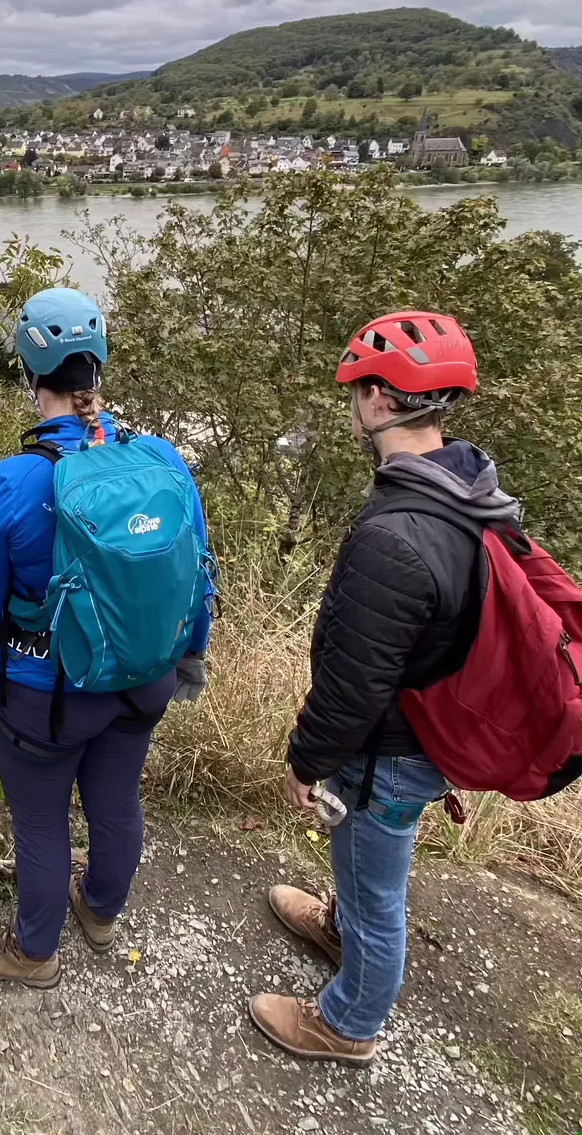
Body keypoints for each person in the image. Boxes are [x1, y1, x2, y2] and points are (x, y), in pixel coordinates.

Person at [249, 311, 510, 1066]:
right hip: (424, 732)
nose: (354, 402)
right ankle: (340, 926)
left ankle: (349, 1020)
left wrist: (305, 761)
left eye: (360, 387)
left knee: (378, 889)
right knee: (369, 867)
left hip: (387, 751)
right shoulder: (467, 490)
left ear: (382, 400)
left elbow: (356, 684)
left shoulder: (394, 535)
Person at [0, 288, 213, 988]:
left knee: (41, 825)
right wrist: (192, 654)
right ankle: (100, 911)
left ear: (29, 372)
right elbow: (196, 574)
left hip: (46, 695)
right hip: (143, 678)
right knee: (118, 798)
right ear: (98, 365)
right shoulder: (160, 458)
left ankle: (33, 952)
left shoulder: (13, 481)